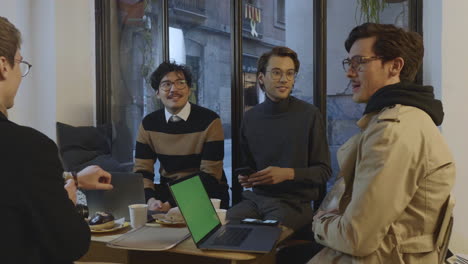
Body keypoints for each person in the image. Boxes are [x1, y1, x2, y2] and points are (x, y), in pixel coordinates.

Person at [308, 23, 455, 263]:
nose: (349, 72)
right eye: (349, 63)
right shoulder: (402, 118)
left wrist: (321, 221)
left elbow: (357, 237)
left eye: (359, 62)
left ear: (395, 66)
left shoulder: (393, 130)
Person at [0, 16, 115, 264]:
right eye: (20, 62)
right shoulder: (29, 147)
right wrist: (69, 204)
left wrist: (71, 178)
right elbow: (71, 243)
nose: (21, 74)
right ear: (3, 65)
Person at [226, 46, 332, 231]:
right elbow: (248, 166)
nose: (284, 79)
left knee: (263, 236)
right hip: (255, 201)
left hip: (294, 205)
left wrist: (287, 173)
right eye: (276, 73)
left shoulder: (309, 114)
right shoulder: (250, 118)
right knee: (223, 225)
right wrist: (248, 178)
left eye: (290, 74)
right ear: (261, 78)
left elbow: (323, 172)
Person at [134, 61, 229, 212]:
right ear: (157, 93)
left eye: (180, 83)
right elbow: (142, 171)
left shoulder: (210, 121)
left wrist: (171, 204)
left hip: (207, 193)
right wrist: (150, 200)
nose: (174, 89)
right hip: (168, 192)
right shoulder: (149, 124)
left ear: (189, 89)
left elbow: (210, 176)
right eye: (166, 84)